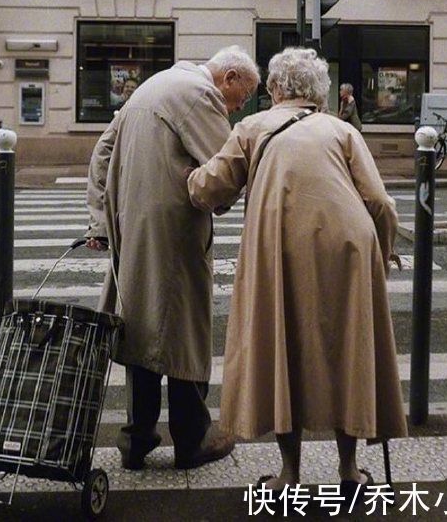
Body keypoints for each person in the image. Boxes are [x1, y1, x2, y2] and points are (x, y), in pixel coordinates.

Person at [187, 47, 407, 498]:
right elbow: (381, 202)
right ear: (319, 93)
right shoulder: (341, 130)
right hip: (349, 248)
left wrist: (185, 178)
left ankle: (290, 474)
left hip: (281, 249)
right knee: (350, 354)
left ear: (273, 89)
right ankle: (349, 471)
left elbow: (211, 186)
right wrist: (382, 252)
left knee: (283, 353)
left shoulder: (251, 127)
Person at [85, 46, 261, 471]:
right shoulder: (199, 95)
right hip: (175, 233)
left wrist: (100, 222)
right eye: (242, 98)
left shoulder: (154, 85)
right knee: (184, 334)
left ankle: (136, 439)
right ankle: (193, 439)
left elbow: (102, 152)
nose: (236, 108)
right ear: (230, 77)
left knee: (142, 330)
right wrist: (224, 196)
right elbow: (225, 169)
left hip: (134, 229)